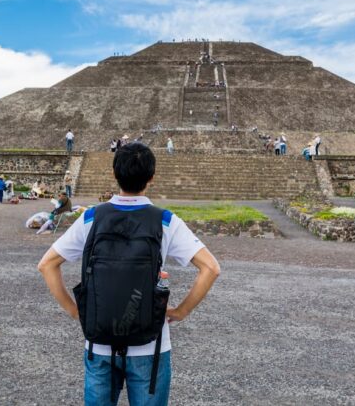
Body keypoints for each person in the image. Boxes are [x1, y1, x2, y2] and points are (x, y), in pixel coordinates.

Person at [37, 142, 221, 405]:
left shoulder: (91, 218)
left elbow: (47, 265)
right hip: (150, 344)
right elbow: (211, 268)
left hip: (99, 342)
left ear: (114, 174)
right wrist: (181, 311)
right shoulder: (165, 220)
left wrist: (75, 310)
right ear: (151, 178)